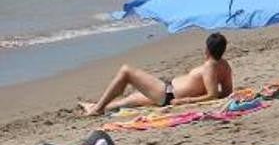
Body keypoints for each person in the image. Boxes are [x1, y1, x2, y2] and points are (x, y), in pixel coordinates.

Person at [79, 33, 233, 115]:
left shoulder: (209, 67)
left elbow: (212, 94)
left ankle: (97, 109)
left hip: (168, 94)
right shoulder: (224, 65)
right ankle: (94, 107)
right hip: (167, 92)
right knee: (129, 101)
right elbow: (226, 92)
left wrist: (186, 100)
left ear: (206, 49)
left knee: (126, 71)